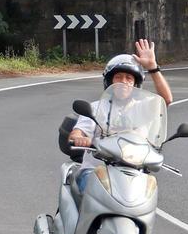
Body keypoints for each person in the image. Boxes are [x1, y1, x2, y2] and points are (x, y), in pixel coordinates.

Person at [67, 39, 172, 182]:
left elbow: (165, 100)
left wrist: (153, 67)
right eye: (118, 77)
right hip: (97, 171)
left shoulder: (142, 108)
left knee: (149, 194)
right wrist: (79, 138)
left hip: (135, 171)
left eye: (129, 78)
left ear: (136, 84)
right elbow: (77, 132)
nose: (123, 81)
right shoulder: (96, 108)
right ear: (110, 81)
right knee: (91, 187)